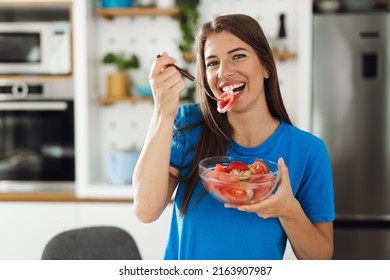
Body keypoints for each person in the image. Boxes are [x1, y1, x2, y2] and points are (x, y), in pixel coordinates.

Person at [132, 14, 335, 260]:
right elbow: (145, 211)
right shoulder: (189, 125)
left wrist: (289, 210)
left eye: (238, 56)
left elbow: (320, 259)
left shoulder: (308, 151)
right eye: (212, 63)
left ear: (266, 67)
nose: (224, 72)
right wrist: (162, 114)